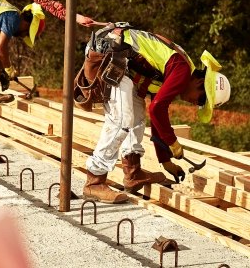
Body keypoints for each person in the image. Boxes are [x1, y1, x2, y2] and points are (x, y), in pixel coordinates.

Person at [76, 22, 231, 204]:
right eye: (202, 100)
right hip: (111, 54)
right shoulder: (181, 71)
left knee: (137, 117)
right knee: (121, 121)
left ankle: (132, 173)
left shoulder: (176, 70)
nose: (196, 104)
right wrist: (173, 142)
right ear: (200, 84)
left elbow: (158, 115)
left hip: (122, 64)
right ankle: (94, 181)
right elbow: (157, 108)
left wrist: (166, 161)